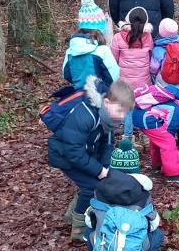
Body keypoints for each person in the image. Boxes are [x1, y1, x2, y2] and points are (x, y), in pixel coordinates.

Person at [47, 76, 134, 240]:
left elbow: (106, 145)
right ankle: (78, 230)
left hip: (84, 153)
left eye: (125, 112)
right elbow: (73, 152)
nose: (122, 116)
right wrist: (99, 170)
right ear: (107, 102)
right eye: (120, 111)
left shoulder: (108, 118)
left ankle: (70, 217)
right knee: (90, 187)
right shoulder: (86, 116)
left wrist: (106, 168)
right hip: (64, 154)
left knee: (94, 182)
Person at [85, 138, 164, 251]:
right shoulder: (143, 193)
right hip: (132, 245)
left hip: (106, 245)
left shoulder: (100, 189)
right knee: (157, 234)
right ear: (136, 168)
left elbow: (89, 221)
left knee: (88, 231)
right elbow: (153, 223)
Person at [132, 72, 179, 182]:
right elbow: (170, 128)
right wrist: (170, 140)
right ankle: (173, 174)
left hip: (142, 117)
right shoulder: (178, 107)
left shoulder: (176, 99)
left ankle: (157, 164)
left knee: (159, 139)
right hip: (148, 119)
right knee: (168, 143)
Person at [111, 6, 154, 138]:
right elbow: (151, 56)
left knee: (128, 108)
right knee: (144, 106)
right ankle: (145, 136)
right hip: (144, 80)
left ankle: (128, 136)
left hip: (125, 81)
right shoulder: (148, 37)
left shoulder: (118, 37)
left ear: (128, 19)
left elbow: (114, 58)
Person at [151, 17, 179, 146]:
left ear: (161, 32)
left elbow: (153, 68)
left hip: (163, 83)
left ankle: (167, 134)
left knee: (167, 108)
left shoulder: (158, 49)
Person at [62, 0, 118, 88]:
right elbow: (113, 77)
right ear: (100, 29)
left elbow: (66, 75)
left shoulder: (70, 51)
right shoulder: (103, 51)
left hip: (78, 97)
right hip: (100, 96)